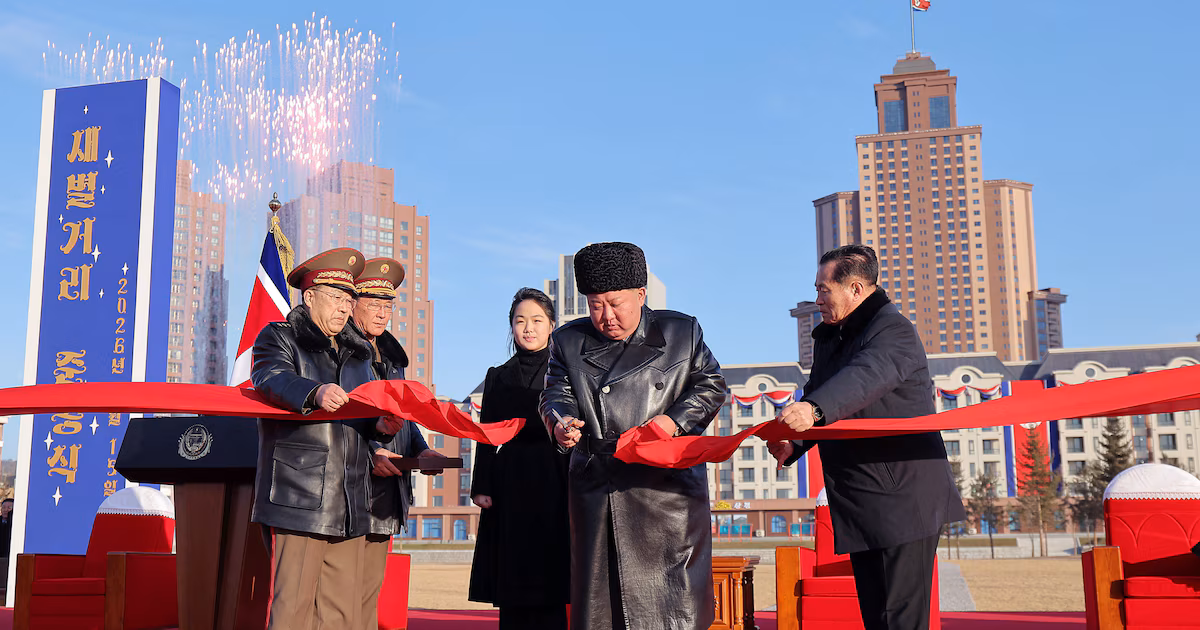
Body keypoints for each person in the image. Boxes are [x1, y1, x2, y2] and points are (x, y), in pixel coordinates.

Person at [767, 244, 965, 630]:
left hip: (903, 499)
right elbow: (822, 390)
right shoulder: (833, 336)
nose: (818, 299)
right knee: (876, 617)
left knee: (901, 620)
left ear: (856, 289)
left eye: (824, 290)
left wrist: (813, 411)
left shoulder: (894, 331)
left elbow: (863, 379)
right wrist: (795, 443)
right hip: (862, 498)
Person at [540, 242, 726, 630]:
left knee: (673, 616)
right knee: (605, 615)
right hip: (600, 489)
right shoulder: (568, 341)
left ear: (641, 295)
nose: (606, 316)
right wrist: (561, 421)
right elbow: (555, 393)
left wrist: (670, 423)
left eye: (616, 303)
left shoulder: (680, 331)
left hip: (667, 495)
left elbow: (710, 386)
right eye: (595, 305)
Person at [251, 247, 403, 630]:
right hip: (301, 496)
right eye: (335, 298)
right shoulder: (280, 337)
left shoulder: (358, 354)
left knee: (340, 614)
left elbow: (363, 412)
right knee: (293, 610)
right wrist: (313, 393)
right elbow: (269, 378)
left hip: (351, 498)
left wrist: (381, 427)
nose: (342, 308)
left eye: (348, 300)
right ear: (310, 296)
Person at [346, 257, 444, 623]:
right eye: (373, 304)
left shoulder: (391, 358)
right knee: (340, 593)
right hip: (352, 488)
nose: (383, 313)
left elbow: (401, 419)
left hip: (387, 493)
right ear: (351, 302)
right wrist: (372, 450)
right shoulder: (342, 353)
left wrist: (422, 450)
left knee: (368, 595)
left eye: (388, 306)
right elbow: (339, 419)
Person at [468, 288, 570, 629]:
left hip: (556, 476)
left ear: (552, 325)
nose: (528, 328)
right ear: (511, 327)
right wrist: (481, 485)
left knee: (551, 573)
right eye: (520, 321)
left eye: (537, 320)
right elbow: (486, 435)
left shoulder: (567, 372)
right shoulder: (498, 374)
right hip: (509, 479)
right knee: (511, 573)